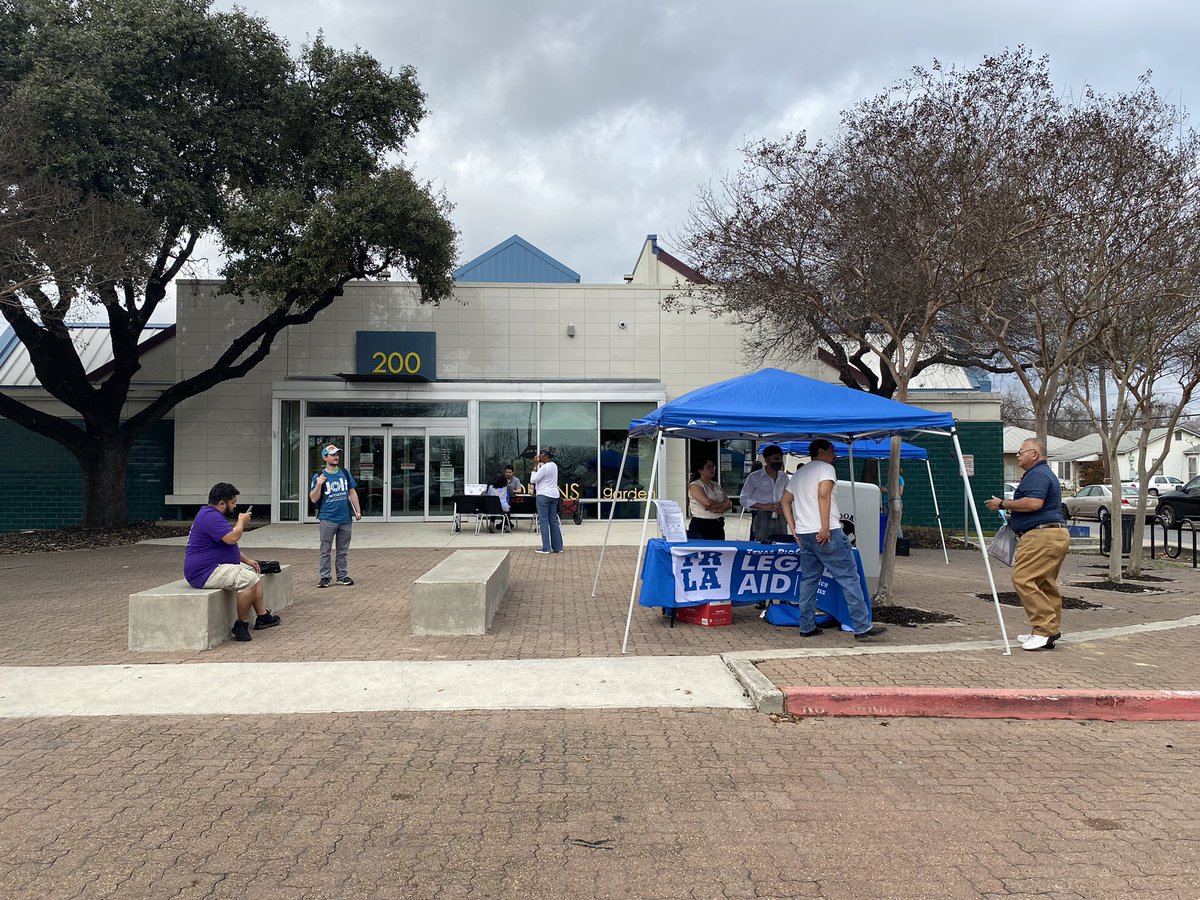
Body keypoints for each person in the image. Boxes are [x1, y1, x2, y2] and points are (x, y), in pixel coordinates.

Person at [781, 439, 887, 640]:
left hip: (804, 534)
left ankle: (806, 625)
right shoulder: (826, 469)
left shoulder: (799, 474)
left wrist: (794, 529)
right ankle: (862, 626)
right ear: (821, 451)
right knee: (849, 578)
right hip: (826, 532)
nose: (835, 454)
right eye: (832, 450)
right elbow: (823, 495)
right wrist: (824, 527)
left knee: (809, 581)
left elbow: (784, 501)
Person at [985, 438, 1069, 651]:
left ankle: (1044, 630)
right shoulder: (1043, 473)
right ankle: (1048, 631)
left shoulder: (1037, 474)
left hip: (1041, 535)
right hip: (1053, 534)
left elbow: (1034, 503)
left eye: (1021, 452)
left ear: (1034, 454)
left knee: (1023, 578)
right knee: (1044, 583)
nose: (1017, 455)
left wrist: (1002, 504)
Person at [184, 482, 280, 643]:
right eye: (233, 502)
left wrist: (247, 560)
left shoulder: (210, 514)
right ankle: (241, 624)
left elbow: (227, 545)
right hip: (204, 572)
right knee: (247, 579)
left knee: (252, 572)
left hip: (213, 566)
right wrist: (241, 521)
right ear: (222, 503)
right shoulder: (210, 517)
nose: (235, 506)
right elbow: (232, 538)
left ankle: (262, 616)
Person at [309, 444, 362, 588]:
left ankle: (342, 576)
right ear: (325, 457)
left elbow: (351, 492)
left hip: (345, 519)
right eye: (333, 455)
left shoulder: (344, 473)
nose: (336, 457)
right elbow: (313, 498)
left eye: (337, 454)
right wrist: (319, 484)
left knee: (342, 551)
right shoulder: (319, 476)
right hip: (327, 518)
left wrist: (357, 510)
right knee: (325, 550)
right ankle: (325, 577)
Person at [740, 445, 790, 543]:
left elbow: (788, 496)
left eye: (780, 459)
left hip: (780, 515)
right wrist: (763, 506)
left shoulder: (784, 477)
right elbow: (743, 499)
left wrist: (783, 506)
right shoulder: (754, 477)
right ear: (767, 460)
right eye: (775, 459)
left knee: (782, 543)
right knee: (762, 544)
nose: (779, 461)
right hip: (762, 515)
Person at [687, 458, 732, 540]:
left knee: (719, 547)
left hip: (718, 524)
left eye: (713, 467)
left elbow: (729, 503)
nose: (712, 469)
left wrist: (717, 509)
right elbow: (707, 503)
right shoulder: (695, 485)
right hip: (702, 524)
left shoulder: (716, 485)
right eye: (708, 467)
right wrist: (722, 504)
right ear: (700, 470)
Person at [530, 447, 564, 554]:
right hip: (554, 495)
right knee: (553, 520)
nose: (539, 456)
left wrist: (535, 467)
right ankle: (558, 547)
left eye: (541, 454)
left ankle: (546, 547)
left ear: (546, 456)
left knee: (544, 521)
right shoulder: (554, 466)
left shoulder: (544, 467)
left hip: (543, 495)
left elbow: (533, 480)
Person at [881, 467, 905, 538]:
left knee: (896, 523)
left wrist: (886, 490)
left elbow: (900, 492)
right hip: (887, 503)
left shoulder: (899, 479)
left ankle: (900, 539)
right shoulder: (891, 479)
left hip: (894, 503)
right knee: (889, 523)